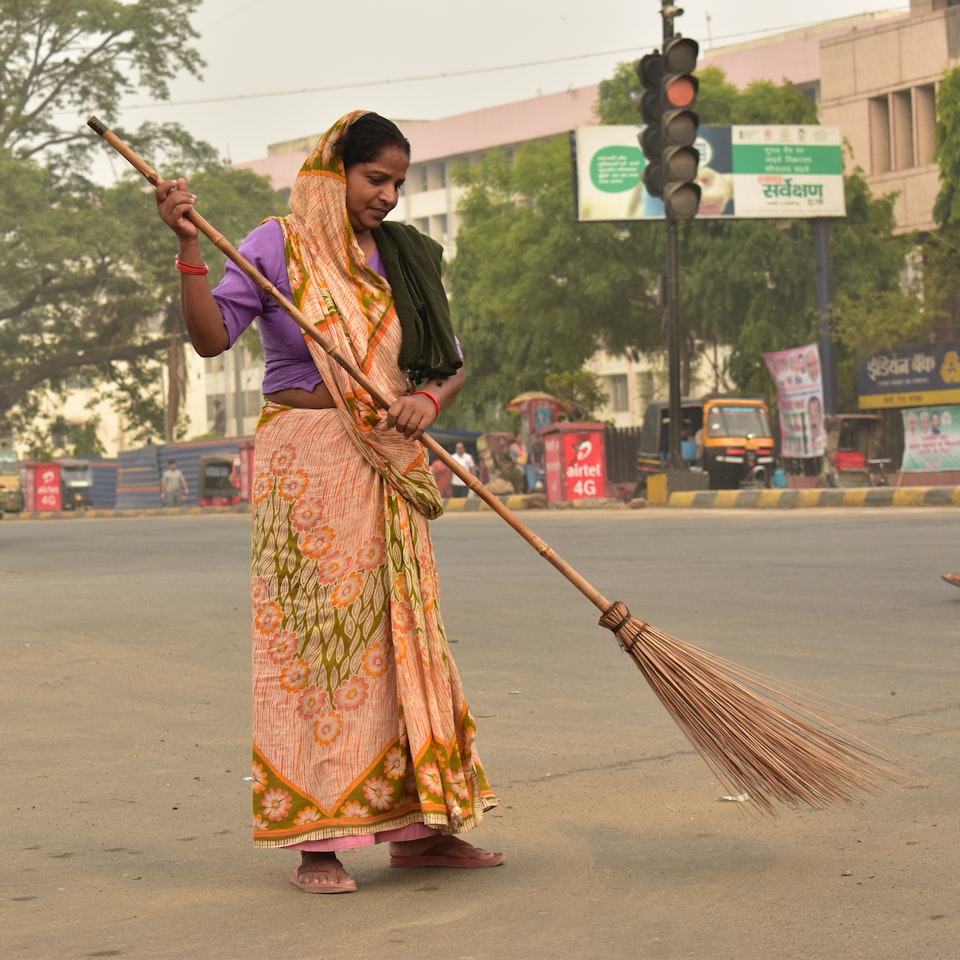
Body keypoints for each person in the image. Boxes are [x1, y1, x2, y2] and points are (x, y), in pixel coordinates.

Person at [155, 111, 502, 895]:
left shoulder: (406, 255)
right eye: (375, 179)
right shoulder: (277, 243)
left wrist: (428, 401)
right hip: (307, 466)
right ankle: (318, 841)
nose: (388, 196)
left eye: (399, 183)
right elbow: (213, 339)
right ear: (332, 168)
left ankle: (421, 831)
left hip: (387, 462)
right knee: (318, 649)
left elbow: (449, 364)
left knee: (403, 639)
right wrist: (186, 247)